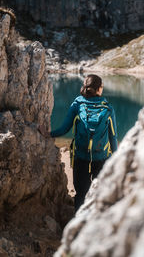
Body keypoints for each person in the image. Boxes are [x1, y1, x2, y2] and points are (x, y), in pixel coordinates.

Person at [39, 74, 117, 212]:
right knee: (99, 193)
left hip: (81, 157)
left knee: (80, 193)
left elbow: (64, 128)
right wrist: (116, 160)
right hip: (102, 158)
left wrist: (48, 134)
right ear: (99, 89)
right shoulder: (108, 108)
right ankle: (96, 223)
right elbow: (113, 137)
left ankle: (78, 222)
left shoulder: (77, 104)